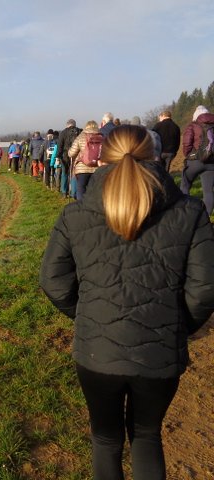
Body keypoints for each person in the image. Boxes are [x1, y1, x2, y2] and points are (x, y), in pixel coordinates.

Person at [40, 125, 214, 480]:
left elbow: (53, 281)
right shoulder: (192, 212)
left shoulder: (75, 215)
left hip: (97, 352)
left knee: (105, 440)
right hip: (159, 355)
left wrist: (89, 315)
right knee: (147, 436)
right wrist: (175, 326)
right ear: (156, 157)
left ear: (99, 159)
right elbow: (205, 288)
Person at [180, 105, 214, 215]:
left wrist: (189, 155)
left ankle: (185, 213)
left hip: (195, 161)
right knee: (208, 191)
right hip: (211, 162)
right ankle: (206, 218)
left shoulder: (193, 125)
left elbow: (187, 143)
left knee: (185, 185)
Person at [68, 120, 100, 201]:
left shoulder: (81, 136)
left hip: (82, 168)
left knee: (81, 189)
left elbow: (71, 153)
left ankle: (81, 206)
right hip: (97, 168)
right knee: (94, 191)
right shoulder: (101, 137)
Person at [57, 119, 82, 198]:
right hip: (76, 156)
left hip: (65, 156)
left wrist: (58, 156)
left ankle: (64, 192)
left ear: (67, 125)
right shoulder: (80, 131)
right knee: (74, 174)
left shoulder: (63, 133)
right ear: (75, 124)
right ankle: (73, 192)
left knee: (64, 173)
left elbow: (60, 146)